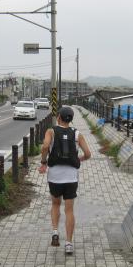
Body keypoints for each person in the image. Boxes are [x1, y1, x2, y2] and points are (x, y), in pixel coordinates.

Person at [38, 106, 91, 254]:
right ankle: (69, 243)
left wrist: (43, 162)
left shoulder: (51, 131)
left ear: (59, 117)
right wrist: (79, 158)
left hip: (54, 175)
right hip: (71, 177)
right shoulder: (77, 134)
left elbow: (45, 146)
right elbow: (88, 153)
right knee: (69, 210)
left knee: (55, 204)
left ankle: (55, 232)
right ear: (71, 119)